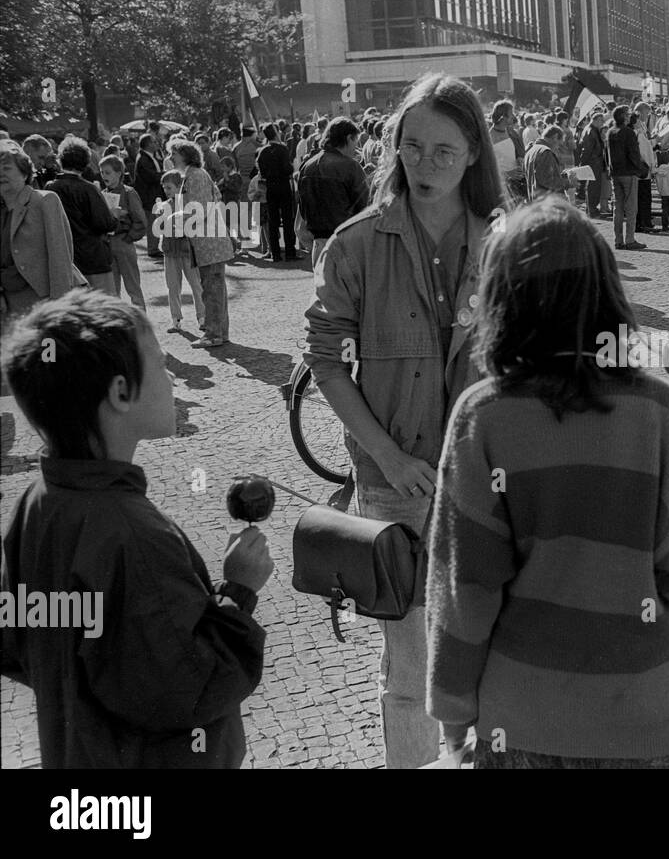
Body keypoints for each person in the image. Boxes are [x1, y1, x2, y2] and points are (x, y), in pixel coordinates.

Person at [426, 199, 669, 768]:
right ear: (608, 294)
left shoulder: (483, 418)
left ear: (501, 302)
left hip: (521, 729)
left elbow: (463, 590)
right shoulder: (665, 414)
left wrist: (452, 714)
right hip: (645, 724)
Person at [304, 72, 503, 769]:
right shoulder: (355, 244)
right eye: (411, 146)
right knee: (413, 665)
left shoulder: (505, 242)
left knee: (492, 652)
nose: (424, 164)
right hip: (397, 482)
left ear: (474, 153)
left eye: (444, 151)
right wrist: (386, 456)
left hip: (488, 482)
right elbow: (326, 360)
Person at [0, 289, 271, 768]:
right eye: (162, 365)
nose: (172, 378)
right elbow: (193, 688)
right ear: (121, 393)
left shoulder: (36, 503)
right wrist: (239, 591)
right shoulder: (133, 537)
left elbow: (15, 643)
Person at [0, 140, 83, 321]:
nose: (1, 173)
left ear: (24, 173)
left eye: (6, 168)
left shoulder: (45, 201)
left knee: (48, 342)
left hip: (43, 303)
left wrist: (59, 308)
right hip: (7, 308)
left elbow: (60, 258)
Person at [167, 138, 233, 347]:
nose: (170, 158)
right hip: (209, 242)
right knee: (214, 288)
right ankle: (219, 332)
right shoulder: (195, 175)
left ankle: (213, 334)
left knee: (212, 289)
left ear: (185, 155)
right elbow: (214, 197)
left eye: (174, 154)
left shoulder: (194, 176)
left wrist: (175, 217)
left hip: (209, 242)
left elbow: (199, 209)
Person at [45, 137, 116, 294]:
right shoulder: (88, 189)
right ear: (85, 162)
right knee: (103, 305)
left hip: (65, 258)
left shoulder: (50, 187)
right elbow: (104, 223)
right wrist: (114, 216)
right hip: (93, 258)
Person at [298, 117, 369, 266]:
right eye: (355, 141)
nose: (356, 147)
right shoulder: (351, 167)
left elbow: (303, 210)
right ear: (348, 138)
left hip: (318, 244)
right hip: (345, 242)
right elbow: (365, 208)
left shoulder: (307, 166)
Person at [155, 170, 205, 333]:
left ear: (179, 187)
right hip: (170, 251)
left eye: (169, 187)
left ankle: (202, 317)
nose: (166, 191)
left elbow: (196, 226)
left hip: (187, 250)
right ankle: (176, 319)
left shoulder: (189, 205)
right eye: (164, 188)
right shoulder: (164, 206)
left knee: (196, 284)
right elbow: (160, 228)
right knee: (173, 286)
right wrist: (161, 220)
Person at [97, 155, 148, 310]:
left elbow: (140, 220)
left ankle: (140, 318)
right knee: (111, 289)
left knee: (133, 286)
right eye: (102, 172)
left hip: (123, 241)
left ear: (119, 173)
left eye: (107, 172)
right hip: (107, 244)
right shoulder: (102, 194)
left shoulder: (128, 193)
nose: (104, 176)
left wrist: (129, 237)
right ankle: (117, 318)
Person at [606, 105, 648, 250]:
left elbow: (607, 154)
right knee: (631, 208)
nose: (630, 116)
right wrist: (642, 169)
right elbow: (634, 154)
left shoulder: (610, 132)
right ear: (624, 116)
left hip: (615, 173)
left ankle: (618, 240)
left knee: (617, 208)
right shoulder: (628, 132)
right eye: (628, 114)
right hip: (628, 173)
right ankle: (630, 239)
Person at [254, 123, 296, 262]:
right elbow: (288, 169)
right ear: (276, 133)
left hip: (270, 187)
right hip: (283, 185)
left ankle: (275, 253)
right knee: (287, 219)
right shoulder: (282, 149)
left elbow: (262, 172)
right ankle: (290, 252)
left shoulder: (263, 151)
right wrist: (290, 167)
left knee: (273, 221)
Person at [133, 134, 165, 258]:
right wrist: (165, 175)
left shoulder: (149, 156)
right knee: (153, 222)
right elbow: (151, 176)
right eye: (154, 141)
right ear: (148, 144)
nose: (156, 143)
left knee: (155, 221)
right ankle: (153, 248)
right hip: (149, 195)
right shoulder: (143, 158)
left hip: (152, 194)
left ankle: (154, 247)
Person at [522, 125, 575, 201]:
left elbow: (539, 176)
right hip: (547, 202)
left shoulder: (531, 150)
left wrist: (563, 175)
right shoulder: (545, 152)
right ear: (555, 137)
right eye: (559, 144)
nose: (558, 148)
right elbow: (547, 181)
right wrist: (568, 182)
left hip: (537, 200)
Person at [488, 100, 526, 202]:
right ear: (502, 116)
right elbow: (487, 168)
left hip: (517, 184)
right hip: (502, 189)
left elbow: (516, 152)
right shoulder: (489, 138)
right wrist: (508, 174)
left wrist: (519, 159)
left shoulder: (510, 131)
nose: (514, 116)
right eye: (511, 113)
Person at [633, 101, 658, 235]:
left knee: (644, 196)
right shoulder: (637, 129)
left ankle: (645, 222)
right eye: (646, 113)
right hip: (643, 168)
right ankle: (644, 223)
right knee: (643, 197)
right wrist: (651, 166)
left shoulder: (641, 127)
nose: (647, 116)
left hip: (644, 167)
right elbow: (643, 150)